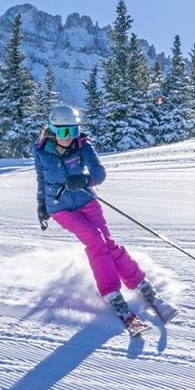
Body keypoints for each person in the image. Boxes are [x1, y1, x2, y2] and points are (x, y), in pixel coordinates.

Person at [34, 105, 176, 334]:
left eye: (73, 130)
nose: (69, 137)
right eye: (63, 132)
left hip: (86, 200)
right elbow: (41, 181)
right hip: (61, 208)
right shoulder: (40, 151)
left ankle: (141, 284)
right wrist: (41, 207)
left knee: (107, 243)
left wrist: (85, 180)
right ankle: (111, 292)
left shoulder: (83, 145)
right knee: (95, 239)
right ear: (52, 131)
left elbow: (99, 173)